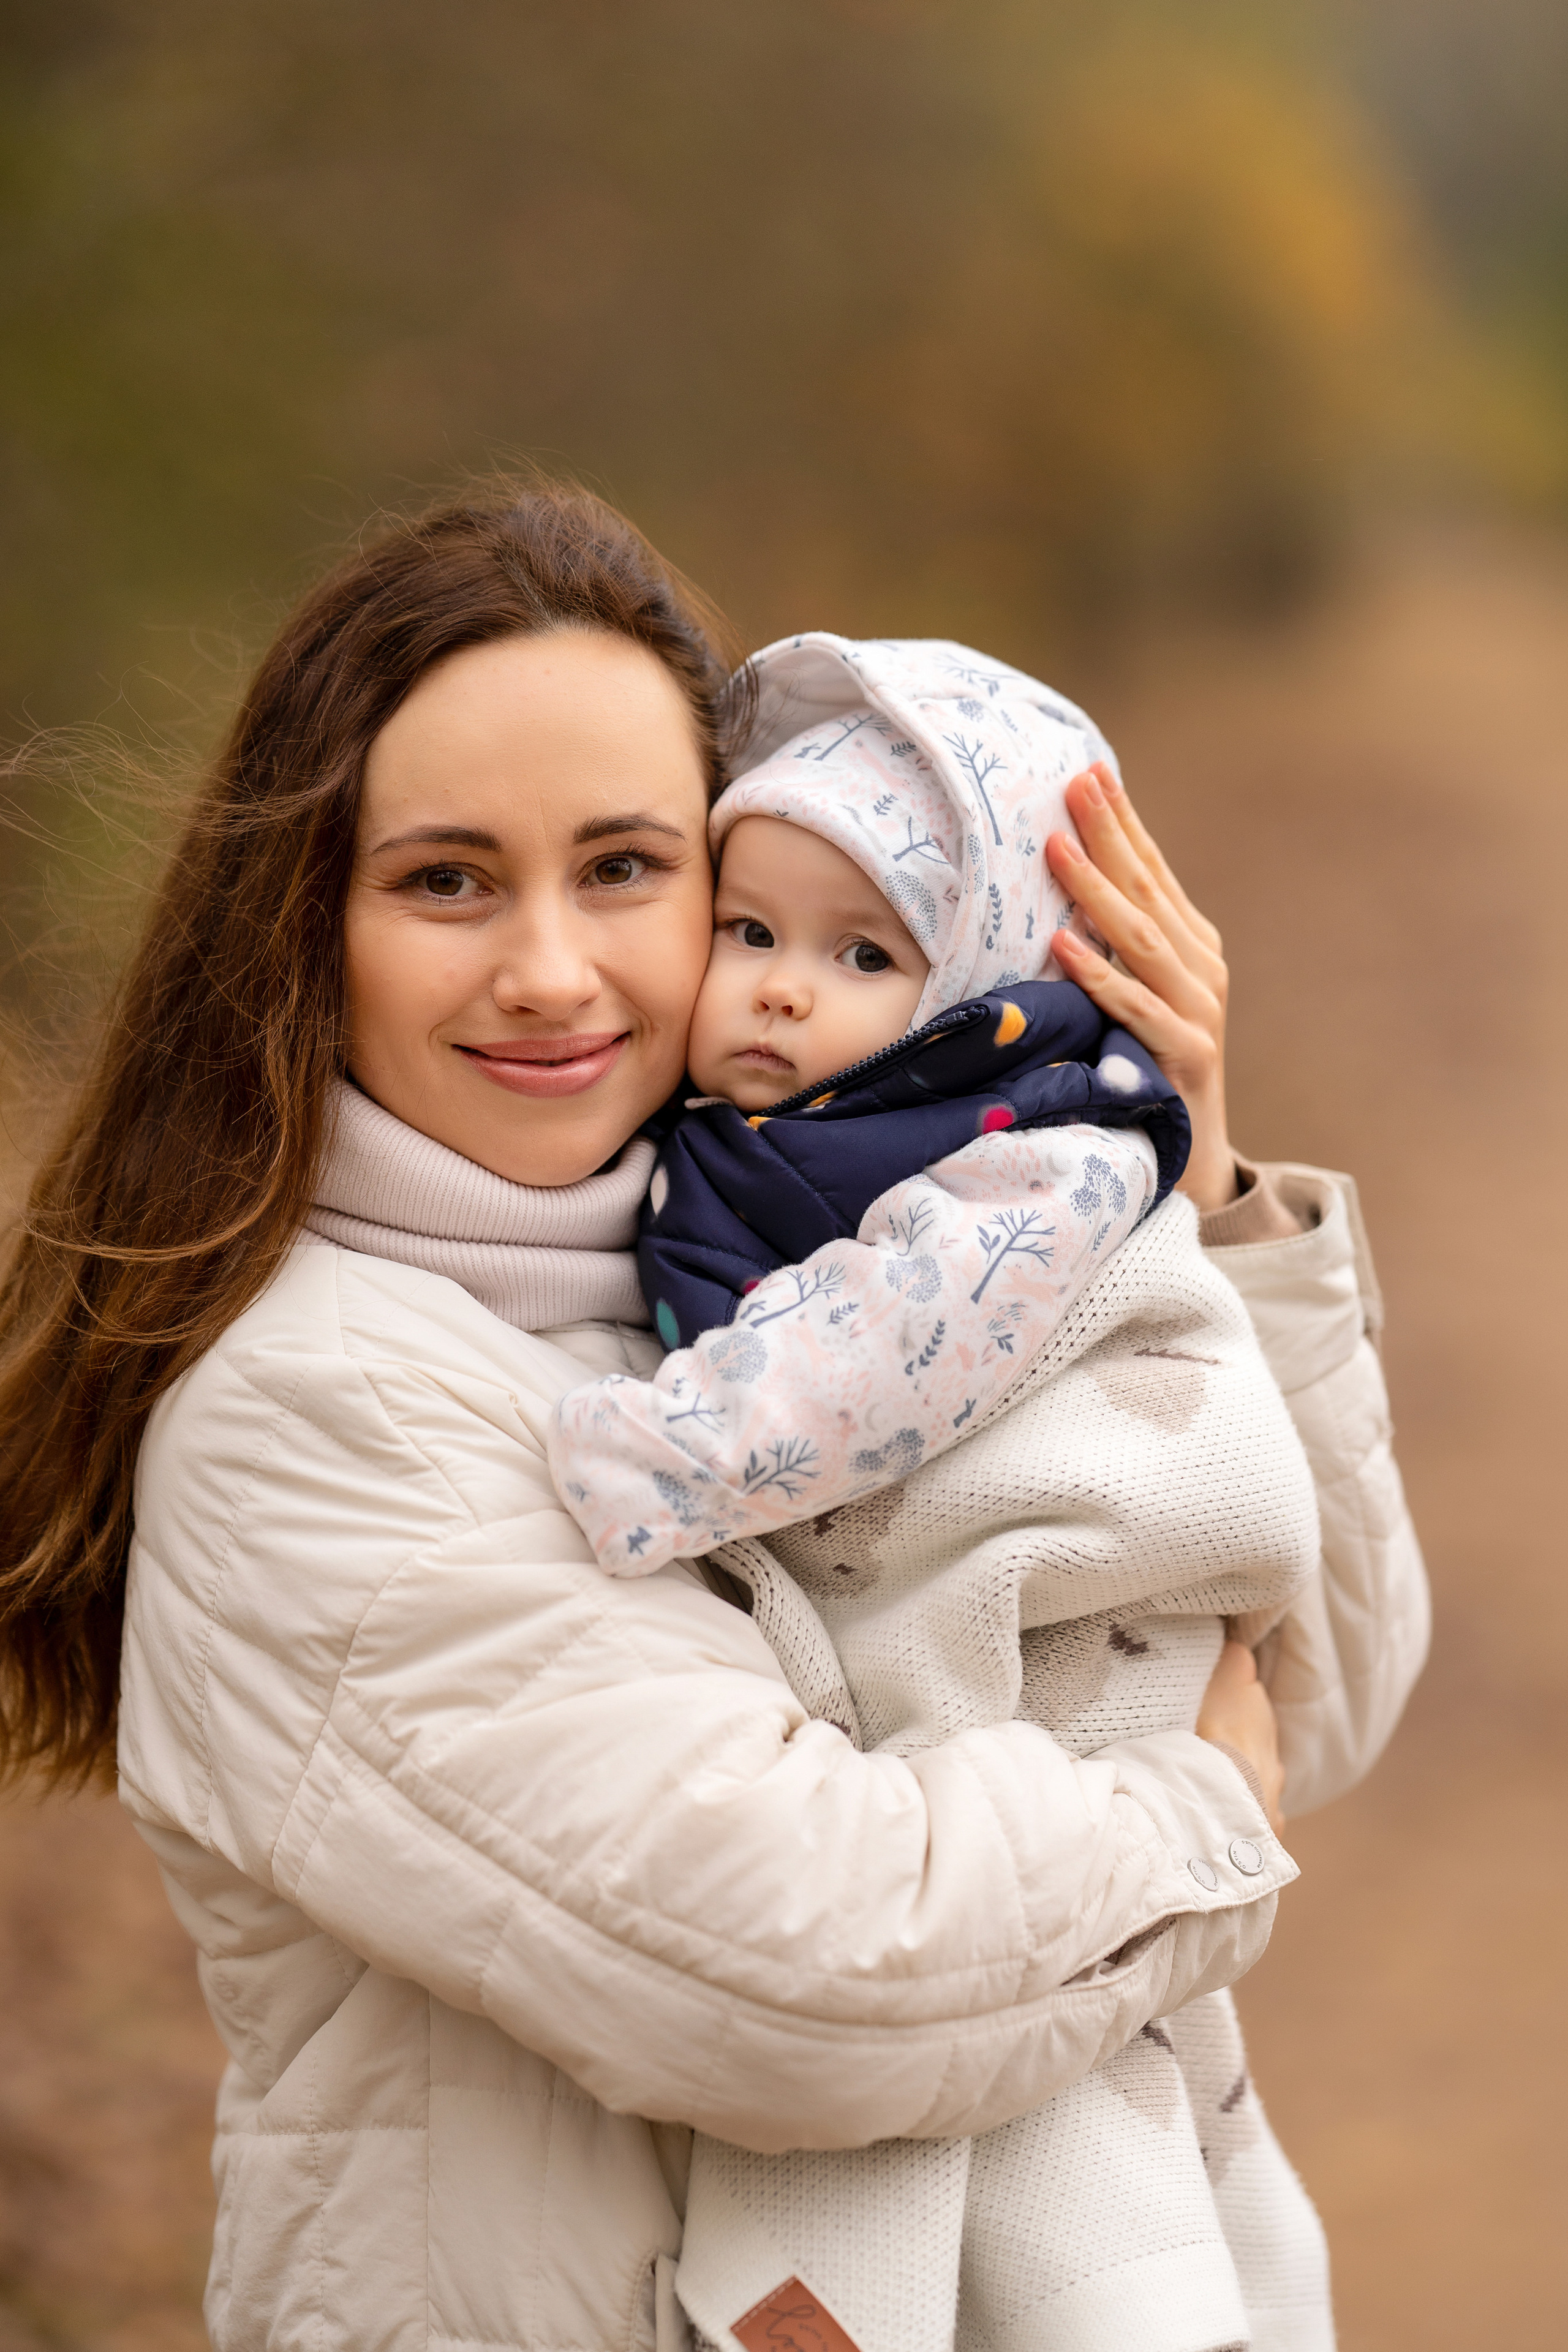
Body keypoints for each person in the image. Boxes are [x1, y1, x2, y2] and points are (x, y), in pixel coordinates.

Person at [0, 484, 1427, 2352]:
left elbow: (1309, 1685)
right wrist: (1190, 1814)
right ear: (306, 928)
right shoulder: (314, 1412)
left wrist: (1191, 1193)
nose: (550, 972)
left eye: (623, 868)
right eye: (446, 881)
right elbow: (813, 1983)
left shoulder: (816, 1300)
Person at [546, 635, 1327, 2352]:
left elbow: (876, 1356)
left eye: (862, 954)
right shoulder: (736, 1168)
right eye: (748, 932)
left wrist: (654, 1455)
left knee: (1088, 2190)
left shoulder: (1033, 1164)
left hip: (1076, 1703)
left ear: (981, 980)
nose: (776, 991)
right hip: (948, 1862)